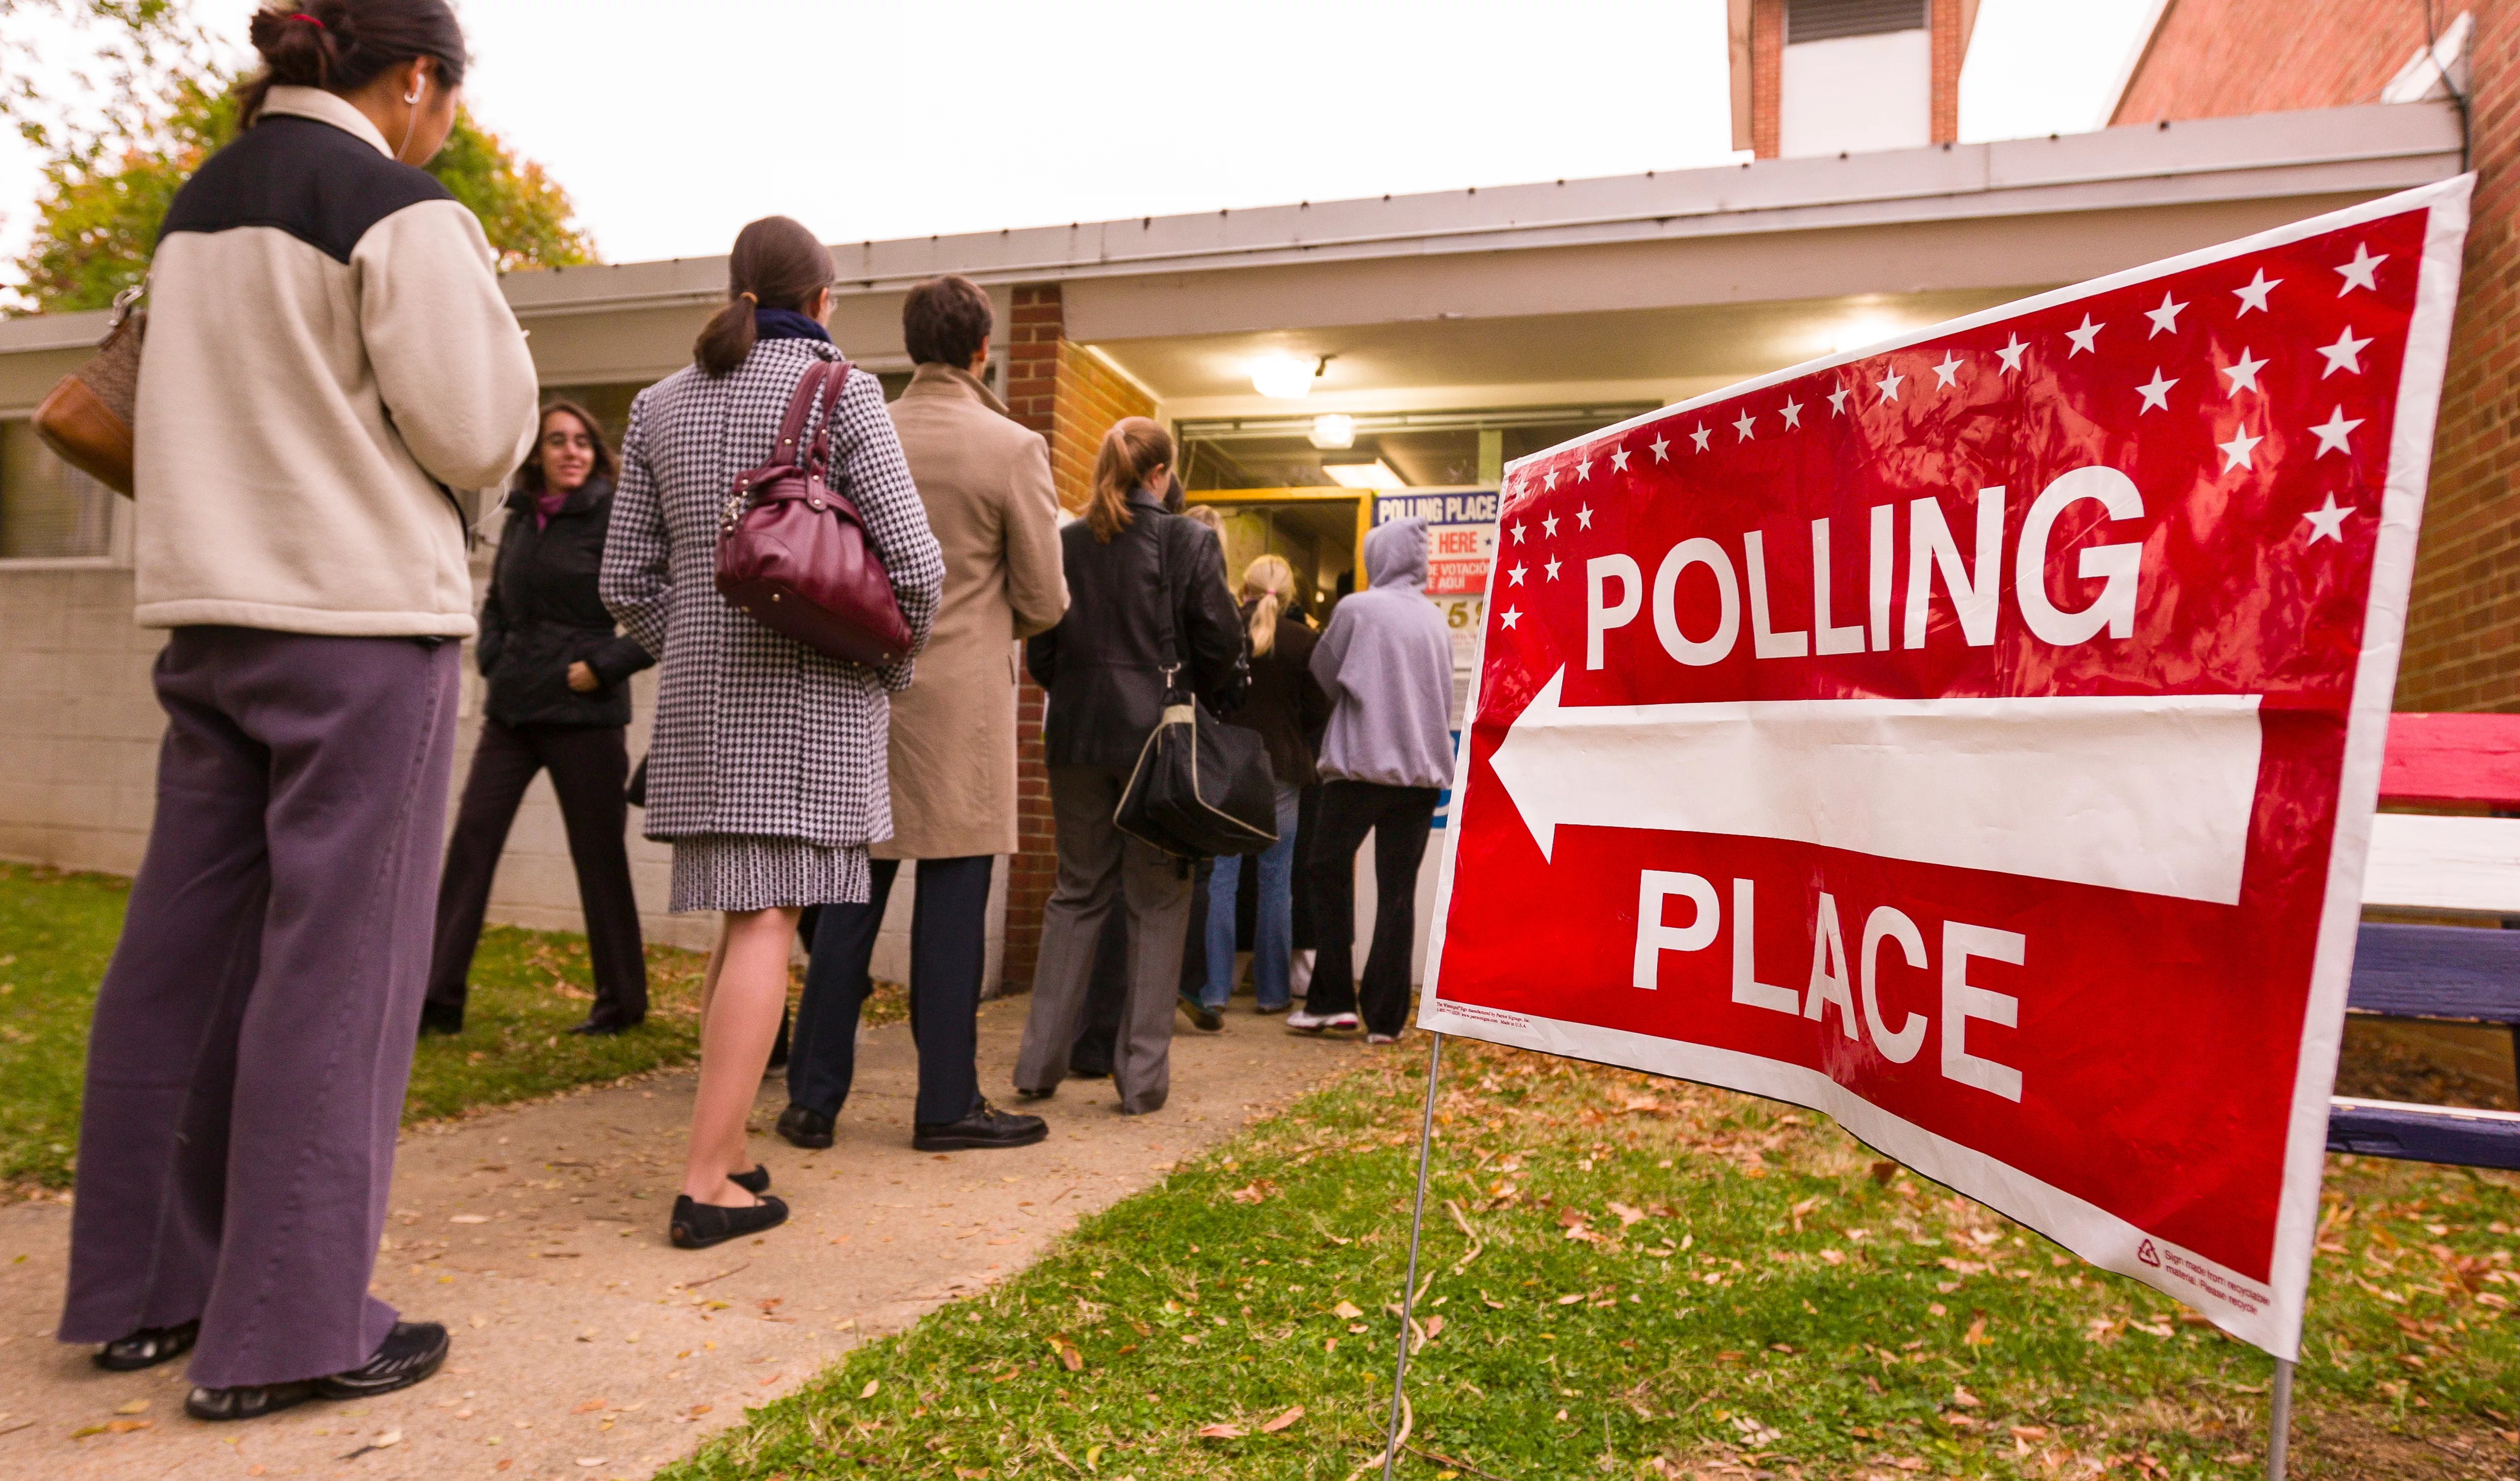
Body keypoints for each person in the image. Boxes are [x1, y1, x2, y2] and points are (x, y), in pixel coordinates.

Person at [55, 0, 538, 1422]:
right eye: (447, 98)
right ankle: (287, 1324)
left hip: (210, 619)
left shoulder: (196, 209)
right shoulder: (398, 206)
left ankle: (143, 1288)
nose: (446, 123)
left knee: (180, 961)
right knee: (341, 975)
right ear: (413, 82)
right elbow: (471, 426)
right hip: (357, 628)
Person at [602, 216, 943, 1249]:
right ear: (824, 299)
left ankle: (731, 1138)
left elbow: (625, 582)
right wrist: (884, 661)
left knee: (737, 918)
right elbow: (917, 567)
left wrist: (699, 639)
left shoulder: (657, 404)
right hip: (804, 702)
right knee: (764, 923)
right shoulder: (844, 393)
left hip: (703, 709)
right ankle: (707, 1179)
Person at [778, 275, 1065, 1154]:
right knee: (951, 912)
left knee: (848, 906)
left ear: (910, 344)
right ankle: (946, 1101)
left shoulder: (859, 433)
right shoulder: (1012, 447)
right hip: (964, 710)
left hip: (863, 692)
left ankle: (812, 1100)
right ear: (986, 348)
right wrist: (989, 619)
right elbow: (1048, 596)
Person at [1012, 420, 1244, 1114]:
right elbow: (1221, 640)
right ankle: (1140, 1079)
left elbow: (1043, 653)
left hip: (1078, 739)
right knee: (1157, 903)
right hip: (1158, 746)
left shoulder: (1068, 543)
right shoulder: (1190, 539)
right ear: (1161, 473)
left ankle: (1037, 1063)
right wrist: (1217, 704)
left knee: (1076, 892)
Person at [421, 402, 654, 1039]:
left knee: (597, 855)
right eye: (557, 441)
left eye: (582, 441)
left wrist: (607, 663)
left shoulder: (615, 515)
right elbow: (498, 600)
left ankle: (622, 1001)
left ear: (596, 452)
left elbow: (669, 599)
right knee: (472, 842)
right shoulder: (522, 515)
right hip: (513, 711)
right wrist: (494, 654)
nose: (571, 451)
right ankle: (438, 998)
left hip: (585, 712)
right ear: (538, 455)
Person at [1290, 518, 1455, 1044]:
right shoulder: (1434, 621)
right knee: (1397, 891)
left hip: (1361, 765)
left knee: (1324, 870)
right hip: (1421, 773)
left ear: (1376, 556)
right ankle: (1385, 1018)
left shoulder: (1356, 609)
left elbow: (1322, 671)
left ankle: (1332, 999)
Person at [1203, 555, 1330, 1016]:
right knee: (1277, 881)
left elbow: (1207, 695)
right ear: (1290, 596)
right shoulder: (1305, 641)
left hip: (1227, 768)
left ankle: (1215, 990)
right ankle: (1274, 993)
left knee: (1222, 878)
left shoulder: (1221, 632)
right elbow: (1320, 707)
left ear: (1245, 589)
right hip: (1282, 767)